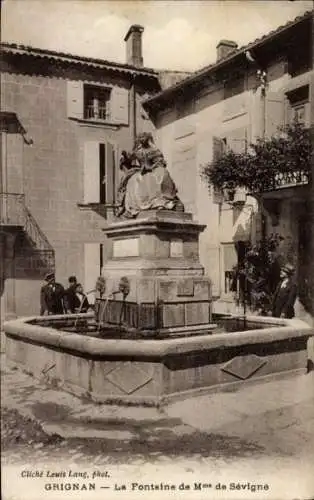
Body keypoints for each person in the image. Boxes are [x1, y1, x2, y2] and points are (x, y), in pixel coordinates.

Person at [116, 132, 184, 218]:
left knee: (162, 173)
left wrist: (152, 167)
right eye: (140, 139)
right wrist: (125, 156)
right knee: (134, 179)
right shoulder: (137, 151)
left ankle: (163, 201)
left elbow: (160, 162)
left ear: (148, 140)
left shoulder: (154, 150)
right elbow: (129, 159)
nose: (142, 141)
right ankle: (135, 205)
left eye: (144, 139)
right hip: (140, 171)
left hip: (153, 169)